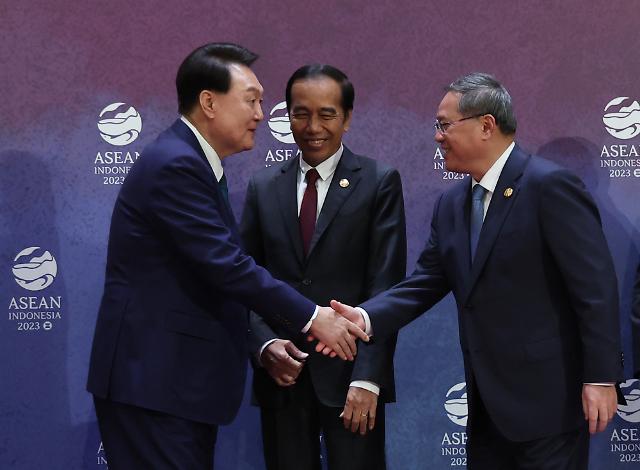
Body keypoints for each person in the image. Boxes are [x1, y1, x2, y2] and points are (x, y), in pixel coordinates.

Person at [86, 43, 367, 469]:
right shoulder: (176, 165)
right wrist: (313, 317)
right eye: (251, 100)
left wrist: (265, 342)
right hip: (154, 384)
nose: (260, 114)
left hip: (172, 387)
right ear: (209, 102)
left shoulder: (191, 161)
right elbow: (228, 266)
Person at [331, 72, 623, 469]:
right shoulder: (451, 204)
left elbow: (596, 290)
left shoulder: (549, 187)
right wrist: (365, 315)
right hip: (486, 411)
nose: (437, 136)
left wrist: (601, 378)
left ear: (486, 125)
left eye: (444, 125)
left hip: (549, 406)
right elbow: (425, 283)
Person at [240, 64, 406, 470]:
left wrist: (369, 378)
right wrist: (263, 347)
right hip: (284, 373)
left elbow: (386, 289)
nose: (313, 126)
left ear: (347, 118)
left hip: (352, 380)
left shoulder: (379, 181)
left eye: (327, 114)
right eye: (301, 113)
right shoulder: (263, 187)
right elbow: (243, 279)